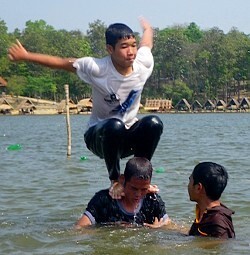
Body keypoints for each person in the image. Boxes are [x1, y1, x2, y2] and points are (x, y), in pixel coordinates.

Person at [8, 17, 163, 197]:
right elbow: (61, 63)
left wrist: (148, 28)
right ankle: (115, 181)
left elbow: (147, 43)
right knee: (114, 125)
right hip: (99, 138)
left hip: (127, 139)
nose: (131, 52)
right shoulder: (97, 68)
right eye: (124, 47)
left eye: (133, 45)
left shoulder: (143, 63)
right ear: (110, 49)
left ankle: (140, 178)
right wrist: (26, 56)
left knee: (154, 122)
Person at [75, 157, 170, 228]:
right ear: (122, 180)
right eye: (134, 188)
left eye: (144, 189)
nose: (138, 194)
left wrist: (159, 228)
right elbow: (79, 229)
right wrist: (112, 228)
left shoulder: (153, 200)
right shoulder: (104, 200)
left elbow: (170, 225)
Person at [188, 162, 235, 239]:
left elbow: (221, 247)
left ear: (198, 187)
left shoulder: (217, 221)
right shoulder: (207, 214)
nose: (188, 185)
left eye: (190, 181)